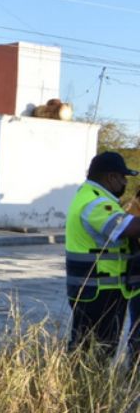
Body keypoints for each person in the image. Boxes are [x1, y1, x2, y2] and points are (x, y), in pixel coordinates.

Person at [66, 151, 140, 356]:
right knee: (93, 350)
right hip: (97, 290)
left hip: (100, 289)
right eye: (123, 177)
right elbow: (129, 228)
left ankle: (81, 385)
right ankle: (80, 387)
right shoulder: (96, 203)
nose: (125, 182)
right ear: (111, 177)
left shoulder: (91, 196)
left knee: (93, 348)